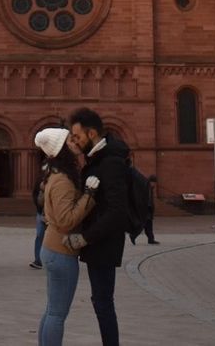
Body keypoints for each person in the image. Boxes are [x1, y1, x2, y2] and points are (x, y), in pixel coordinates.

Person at [66, 107, 130, 346]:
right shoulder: (98, 158)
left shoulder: (110, 162)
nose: (75, 141)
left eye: (77, 136)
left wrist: (86, 238)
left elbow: (117, 211)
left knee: (103, 303)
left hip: (103, 243)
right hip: (98, 243)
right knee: (101, 302)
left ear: (91, 133)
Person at [34, 127, 98, 345]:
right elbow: (66, 220)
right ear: (62, 148)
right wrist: (89, 196)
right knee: (57, 314)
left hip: (53, 249)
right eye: (70, 140)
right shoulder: (62, 180)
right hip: (61, 251)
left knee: (52, 310)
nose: (75, 142)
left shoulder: (56, 174)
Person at [130, 173, 160, 245]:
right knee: (143, 225)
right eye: (154, 182)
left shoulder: (149, 187)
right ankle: (133, 235)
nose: (155, 184)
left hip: (147, 210)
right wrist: (149, 207)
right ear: (151, 182)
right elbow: (148, 199)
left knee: (148, 226)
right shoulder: (148, 188)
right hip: (146, 210)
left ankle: (151, 239)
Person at [30, 170, 47, 269]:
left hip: (52, 213)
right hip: (41, 212)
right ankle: (38, 260)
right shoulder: (40, 179)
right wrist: (38, 207)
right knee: (40, 235)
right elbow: (35, 193)